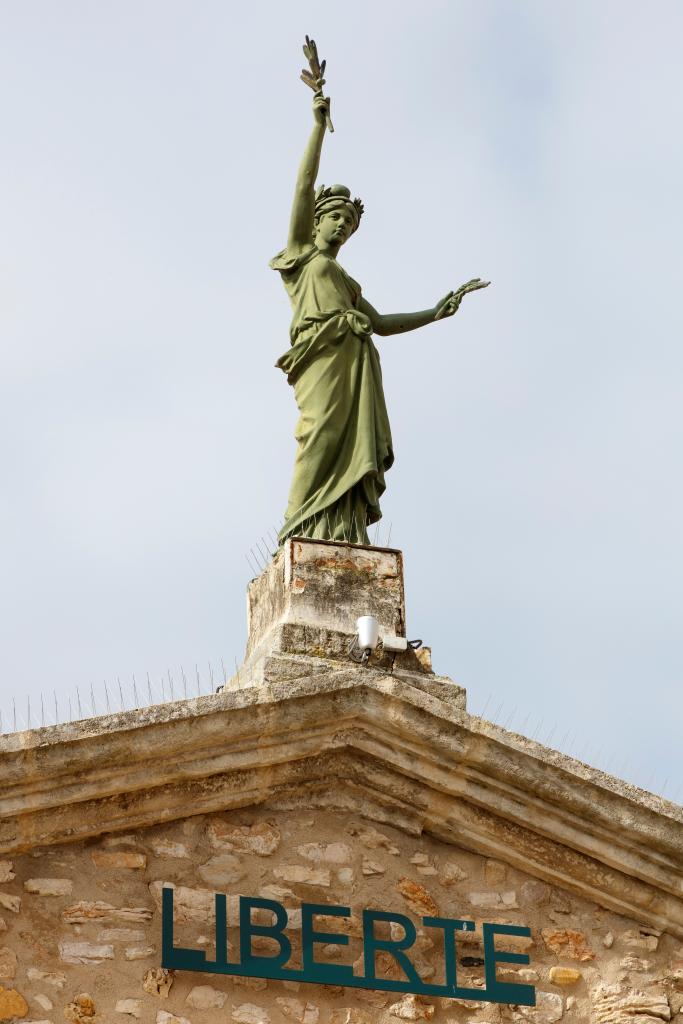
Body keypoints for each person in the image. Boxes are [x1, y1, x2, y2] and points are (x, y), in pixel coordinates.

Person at [272, 92, 488, 546]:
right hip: (321, 359)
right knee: (319, 435)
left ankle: (338, 528)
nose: (342, 228)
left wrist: (435, 312)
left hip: (355, 359)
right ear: (315, 222)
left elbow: (384, 324)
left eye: (348, 225)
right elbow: (301, 187)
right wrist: (317, 126)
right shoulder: (301, 256)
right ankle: (295, 526)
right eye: (335, 218)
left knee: (344, 442)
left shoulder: (347, 282)